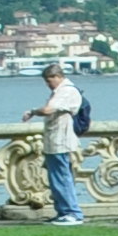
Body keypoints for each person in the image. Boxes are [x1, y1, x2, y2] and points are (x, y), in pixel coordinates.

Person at [38, 61, 91, 223]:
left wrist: (32, 112)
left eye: (49, 80)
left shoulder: (66, 91)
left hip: (61, 141)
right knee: (57, 178)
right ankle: (63, 211)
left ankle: (73, 213)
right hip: (55, 141)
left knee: (62, 177)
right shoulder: (60, 91)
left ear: (58, 76)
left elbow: (47, 110)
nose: (48, 84)